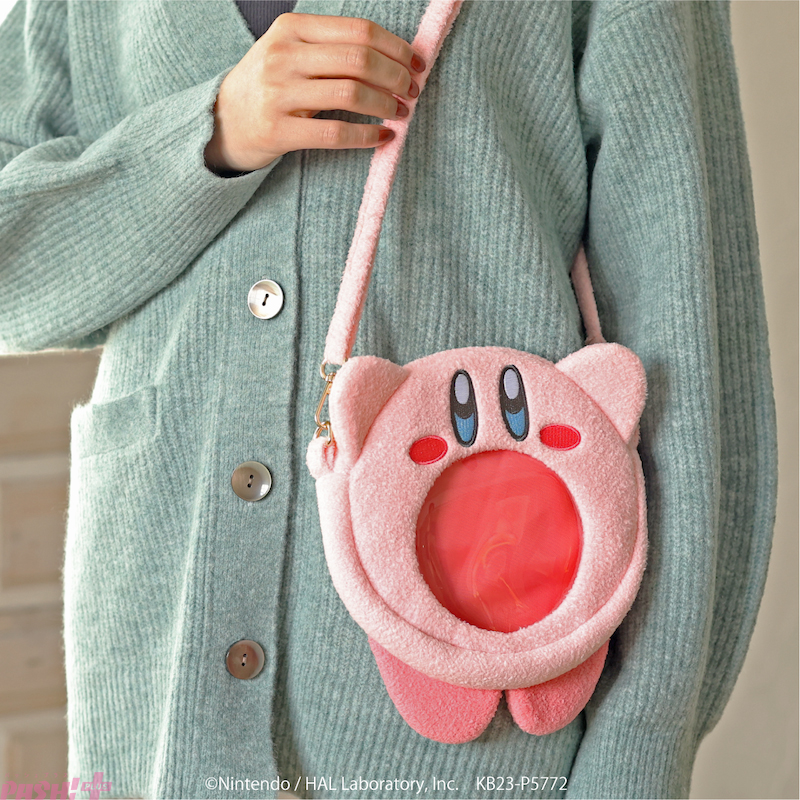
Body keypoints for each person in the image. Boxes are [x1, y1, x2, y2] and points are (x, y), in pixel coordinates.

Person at [0, 1, 778, 799]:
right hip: (160, 661)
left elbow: (689, 340)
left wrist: (642, 747)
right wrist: (216, 132)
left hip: (478, 710)